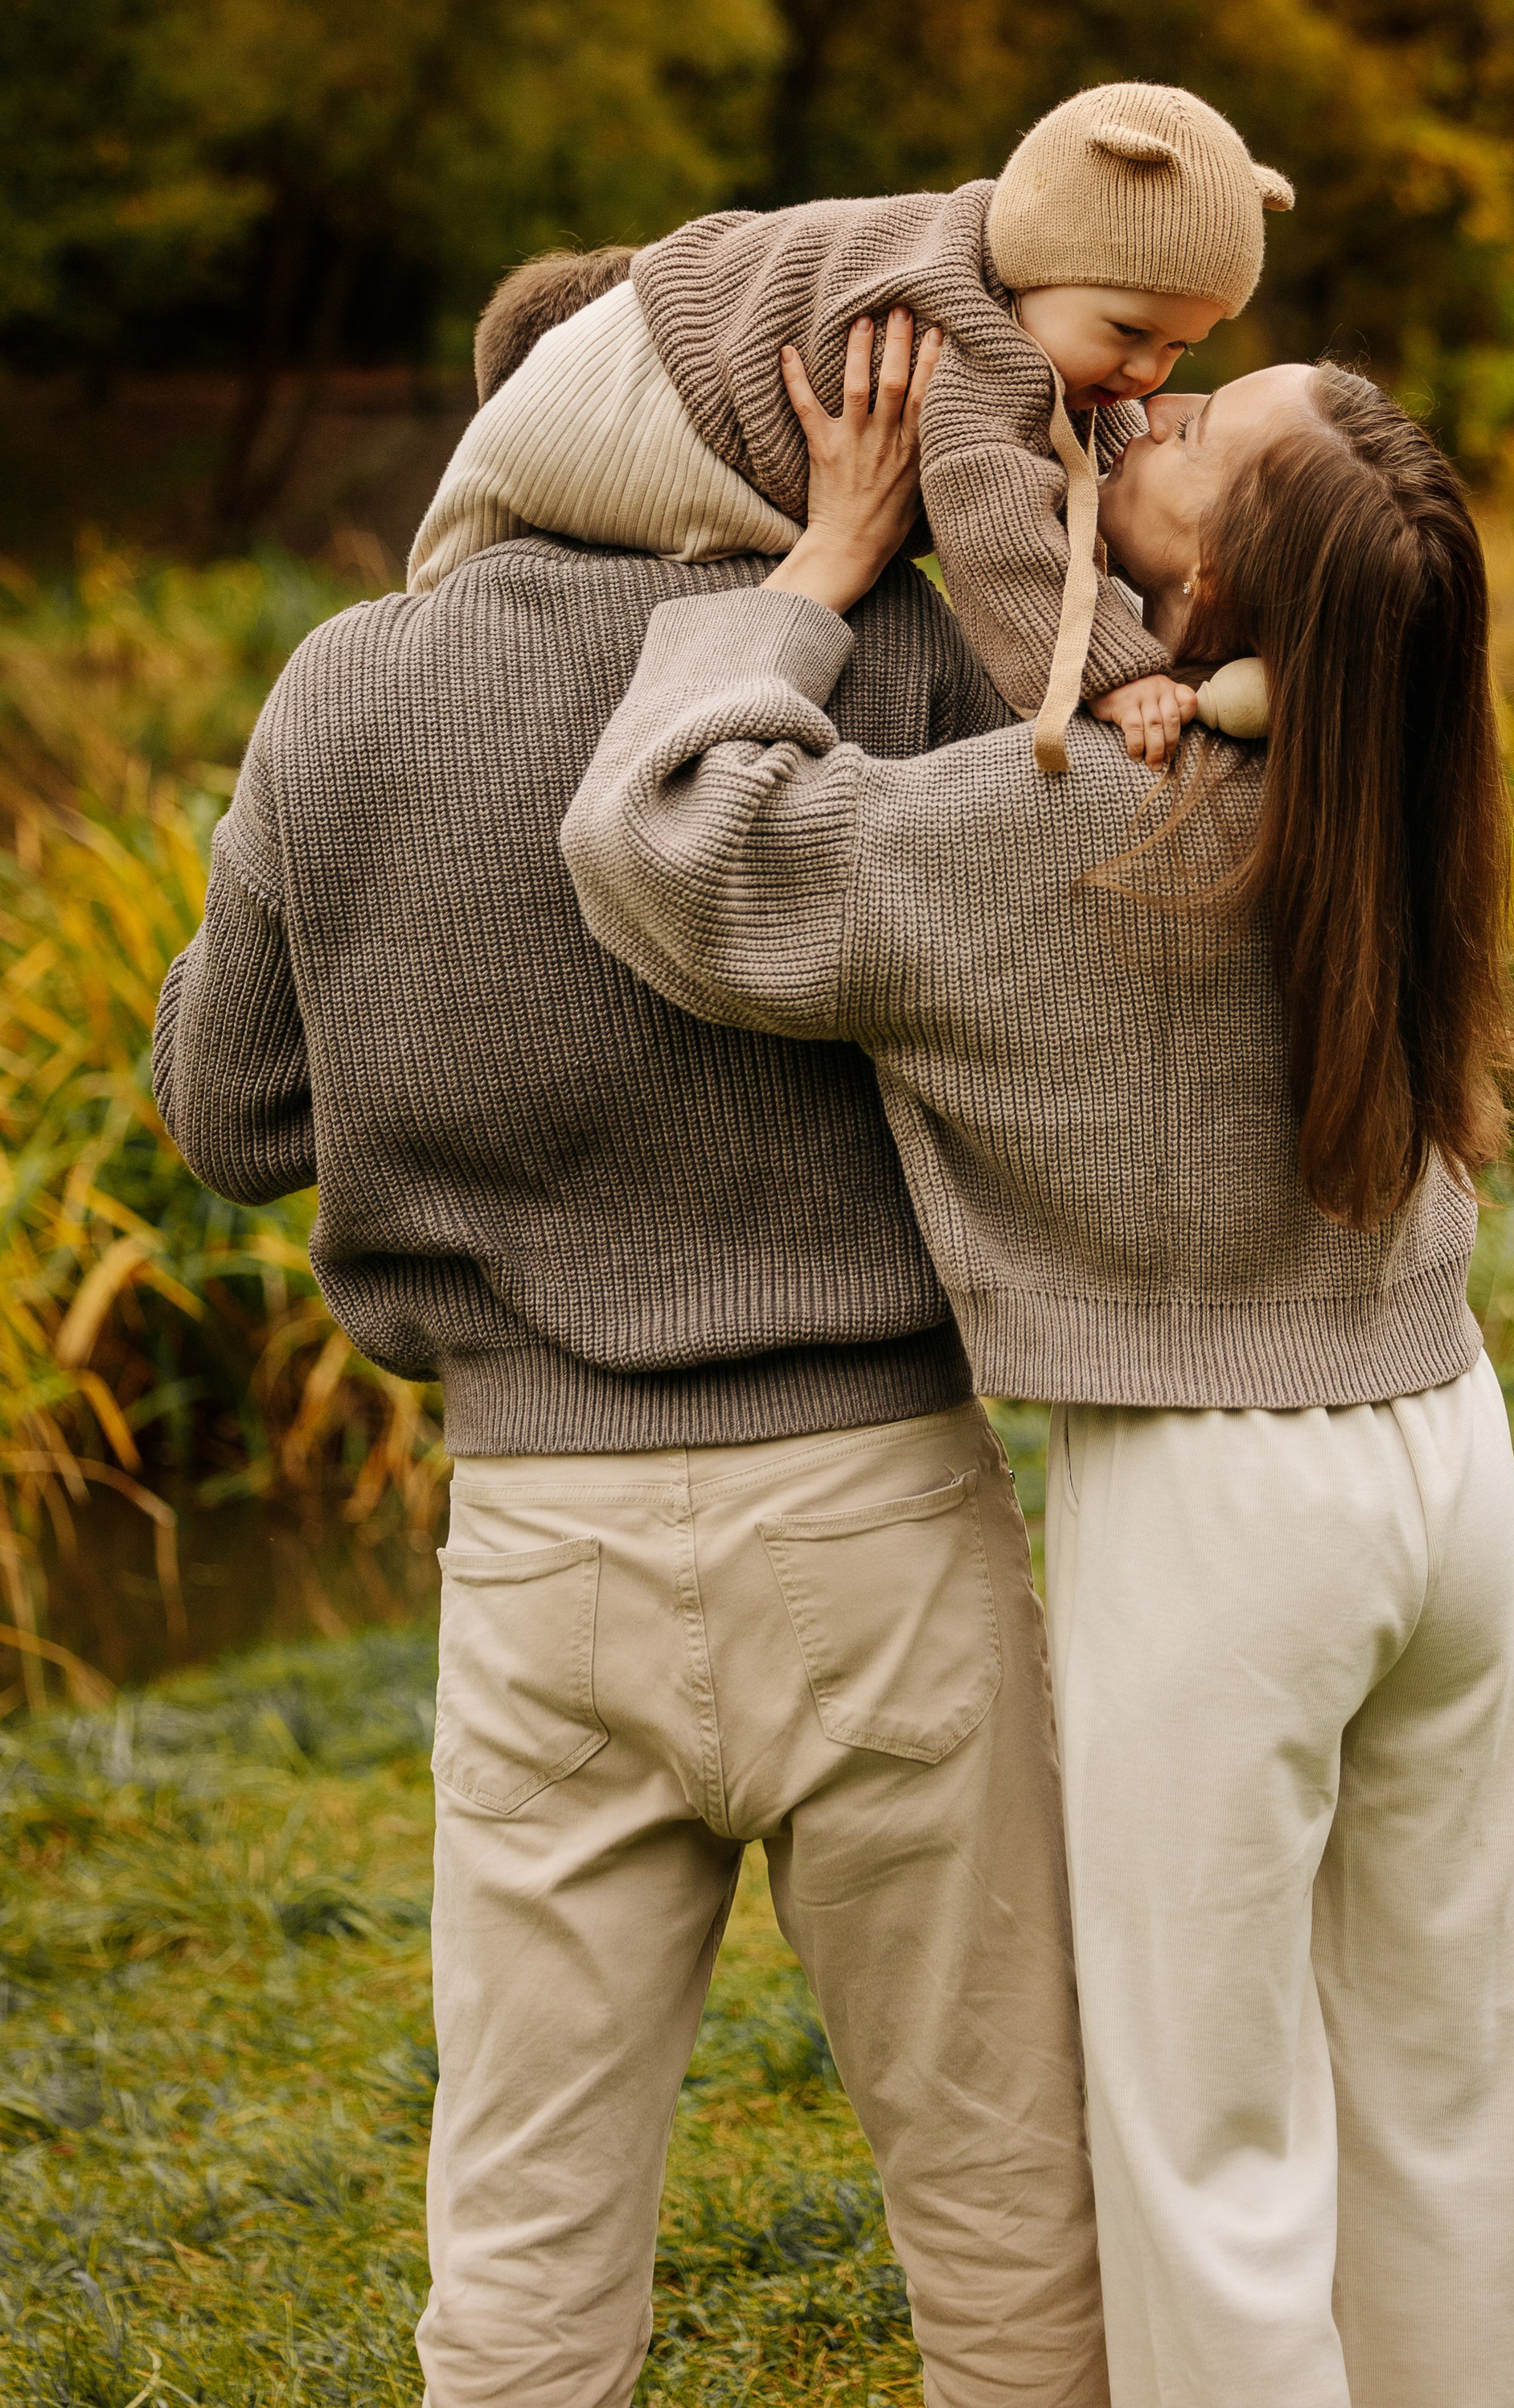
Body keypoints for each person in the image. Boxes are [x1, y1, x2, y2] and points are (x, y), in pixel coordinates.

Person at [560, 315, 1514, 2408]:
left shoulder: (1084, 819)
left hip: (1222, 1505)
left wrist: (816, 578)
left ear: (1228, 585)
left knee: (1207, 2138)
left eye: (1197, 437)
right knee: (1443, 2077)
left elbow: (671, 846)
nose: (1152, 412)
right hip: (1442, 1454)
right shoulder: (1391, 771)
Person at [150, 311, 1112, 2408]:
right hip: (879, 1516)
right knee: (1007, 2194)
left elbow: (223, 1113)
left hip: (541, 1544)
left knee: (523, 2228)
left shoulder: (342, 682)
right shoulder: (889, 651)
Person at [406, 79, 1294, 770]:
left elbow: (1085, 472)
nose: (1147, 377)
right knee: (477, 565)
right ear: (1039, 264)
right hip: (652, 397)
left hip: (638, 330)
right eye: (1128, 333)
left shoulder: (1041, 301)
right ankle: (432, 630)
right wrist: (1110, 678)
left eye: (1179, 347)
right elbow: (1000, 533)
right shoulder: (974, 334)